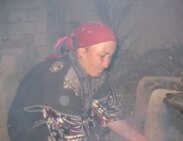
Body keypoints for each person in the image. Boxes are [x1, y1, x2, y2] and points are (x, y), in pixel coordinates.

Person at [7, 21, 149, 141]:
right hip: (32, 130)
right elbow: (72, 135)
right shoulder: (63, 80)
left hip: (66, 120)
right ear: (82, 51)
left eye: (110, 56)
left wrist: (136, 137)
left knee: (97, 124)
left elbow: (109, 114)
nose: (107, 64)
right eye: (102, 55)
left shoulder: (96, 71)